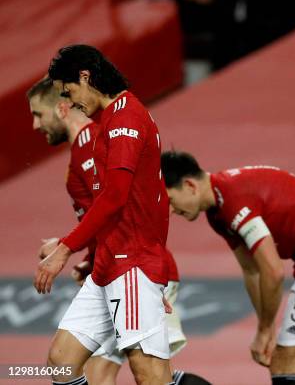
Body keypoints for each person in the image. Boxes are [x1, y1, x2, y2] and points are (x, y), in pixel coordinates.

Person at [28, 77, 210, 385]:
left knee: (118, 374)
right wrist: (88, 255)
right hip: (115, 266)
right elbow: (108, 214)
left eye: (38, 114)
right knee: (68, 363)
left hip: (133, 267)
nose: (35, 125)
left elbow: (117, 204)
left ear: (61, 108)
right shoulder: (83, 151)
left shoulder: (89, 145)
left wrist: (64, 247)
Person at [161, 151, 295, 385]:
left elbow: (273, 271)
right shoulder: (217, 213)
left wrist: (265, 330)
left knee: (288, 363)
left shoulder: (232, 199)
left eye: (169, 200)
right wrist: (263, 326)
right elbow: (252, 271)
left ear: (189, 185)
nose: (169, 211)